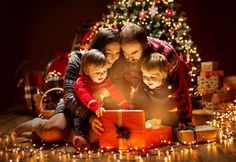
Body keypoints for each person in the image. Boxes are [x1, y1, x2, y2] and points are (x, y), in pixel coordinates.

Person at [14, 28, 121, 148]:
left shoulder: (117, 64)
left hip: (98, 112)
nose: (114, 58)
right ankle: (39, 125)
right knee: (52, 132)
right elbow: (69, 96)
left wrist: (104, 92)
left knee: (102, 135)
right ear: (98, 49)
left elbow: (120, 92)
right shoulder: (78, 59)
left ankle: (68, 136)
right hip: (72, 107)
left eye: (117, 53)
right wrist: (89, 117)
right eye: (109, 53)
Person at [119, 23, 192, 128]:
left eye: (134, 53)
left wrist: (187, 120)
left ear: (144, 46)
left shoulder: (168, 56)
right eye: (125, 53)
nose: (129, 58)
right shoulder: (128, 54)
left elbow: (182, 88)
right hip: (148, 90)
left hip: (169, 86)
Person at [74, 49, 132, 118]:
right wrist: (96, 107)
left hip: (97, 110)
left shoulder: (106, 81)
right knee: (81, 126)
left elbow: (115, 92)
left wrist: (125, 106)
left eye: (104, 71)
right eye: (97, 72)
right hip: (81, 112)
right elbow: (85, 95)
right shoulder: (82, 82)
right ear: (86, 71)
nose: (102, 75)